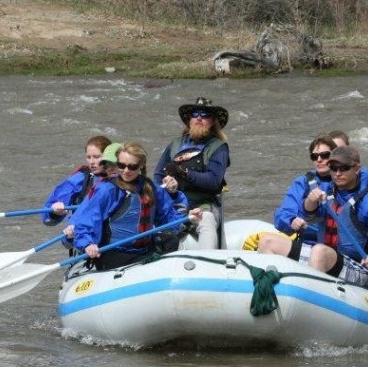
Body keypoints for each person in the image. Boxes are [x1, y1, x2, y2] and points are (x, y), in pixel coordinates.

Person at [68, 142, 201, 270]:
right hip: (112, 253)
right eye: (121, 165)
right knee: (153, 260)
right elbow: (85, 222)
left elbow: (168, 220)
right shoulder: (107, 190)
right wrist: (88, 244)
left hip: (144, 249)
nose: (126, 171)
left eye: (132, 166)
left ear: (141, 165)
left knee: (170, 242)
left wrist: (188, 218)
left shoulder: (151, 189)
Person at [303, 146, 368, 288]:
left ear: (356, 169)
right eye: (333, 168)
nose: (337, 173)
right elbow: (309, 218)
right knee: (270, 242)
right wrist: (310, 201)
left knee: (319, 251)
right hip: (327, 259)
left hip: (359, 268)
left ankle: (314, 301)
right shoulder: (327, 192)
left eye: (343, 168)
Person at [154, 96, 230, 249]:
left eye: (205, 115)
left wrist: (185, 174)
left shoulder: (218, 147)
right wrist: (166, 184)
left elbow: (214, 180)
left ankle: (207, 261)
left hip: (203, 205)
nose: (199, 118)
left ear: (213, 121)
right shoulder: (175, 144)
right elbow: (157, 176)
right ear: (189, 120)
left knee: (207, 219)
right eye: (195, 114)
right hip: (173, 204)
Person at [255, 135, 338, 262]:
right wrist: (291, 220)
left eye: (324, 155)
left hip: (336, 251)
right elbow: (282, 214)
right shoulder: (303, 183)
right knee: (266, 241)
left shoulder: (347, 181)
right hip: (309, 245)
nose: (319, 160)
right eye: (314, 156)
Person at [42, 135, 113, 226]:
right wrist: (55, 212)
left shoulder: (125, 176)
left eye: (96, 157)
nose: (91, 162)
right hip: (82, 233)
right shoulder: (79, 179)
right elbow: (47, 219)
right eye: (88, 157)